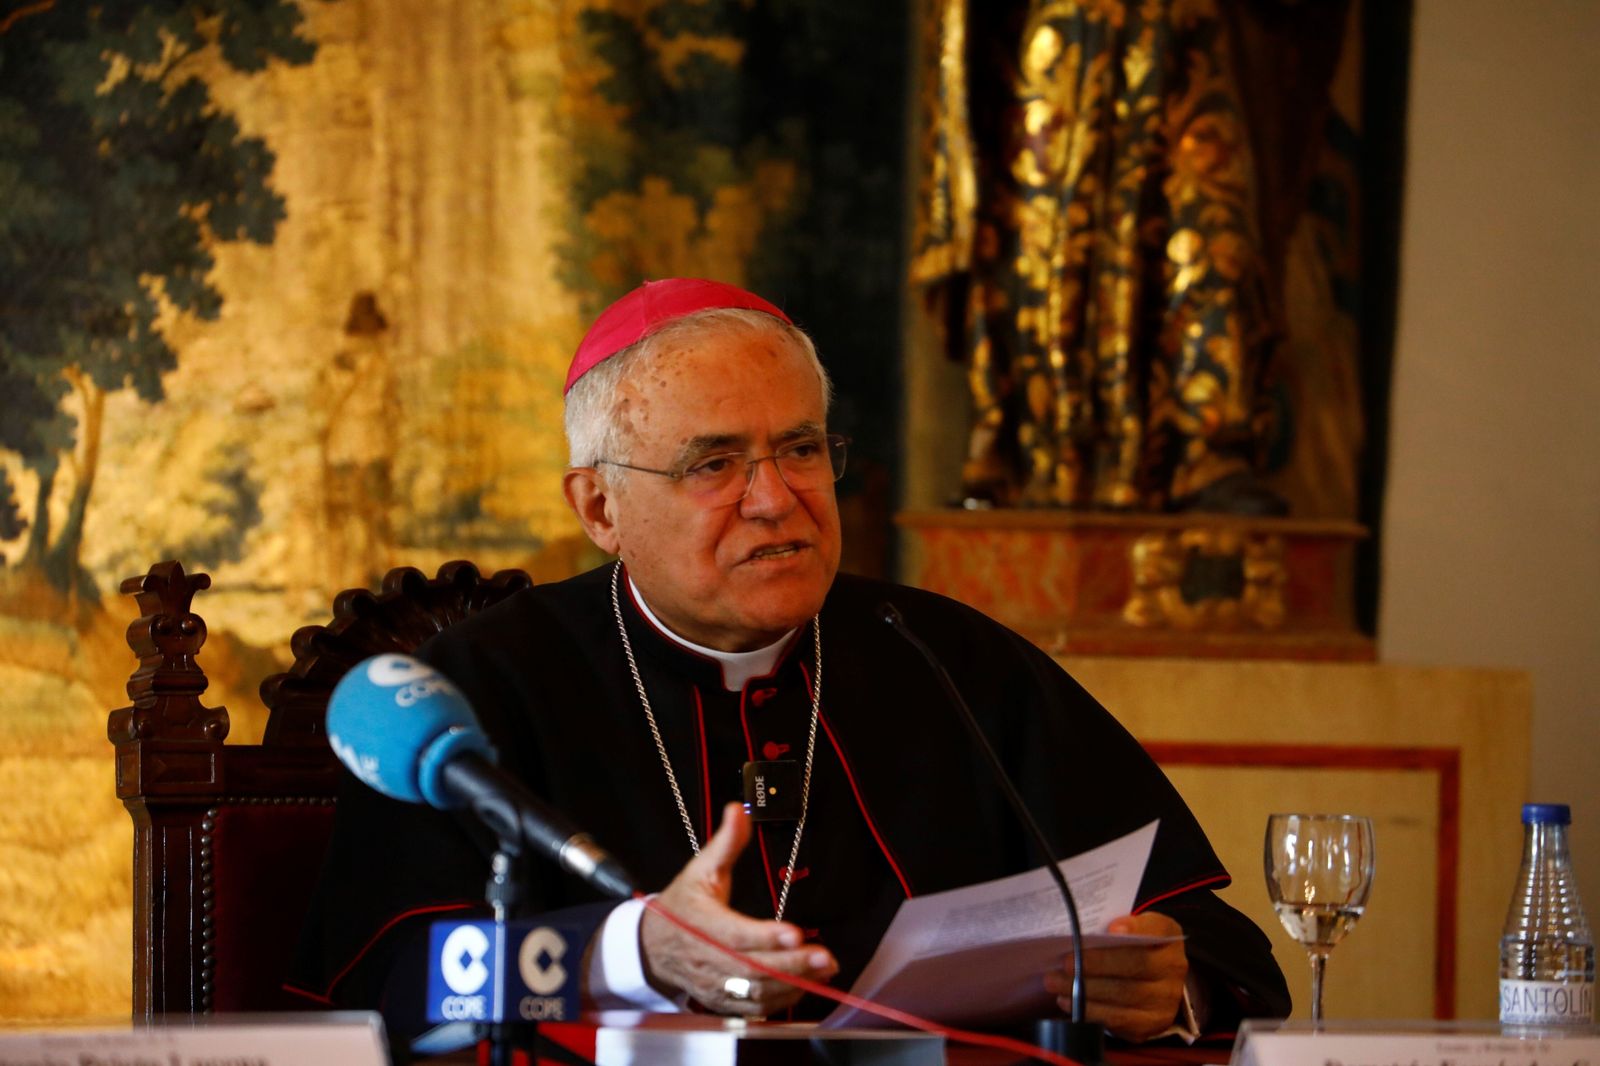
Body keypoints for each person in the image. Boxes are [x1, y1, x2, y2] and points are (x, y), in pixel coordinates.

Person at [290, 278, 1289, 1044]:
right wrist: (636, 951)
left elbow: (1204, 937)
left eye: (801, 449)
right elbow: (393, 987)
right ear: (598, 507)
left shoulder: (952, 661)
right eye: (713, 463)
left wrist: (1169, 987)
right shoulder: (474, 689)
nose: (774, 498)